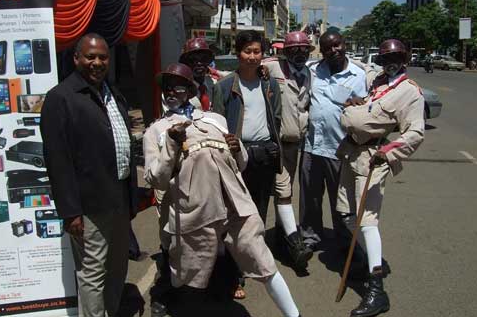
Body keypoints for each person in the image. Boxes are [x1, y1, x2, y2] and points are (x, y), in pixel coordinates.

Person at [143, 63, 302, 317]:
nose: (172, 92)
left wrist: (238, 147)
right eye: (167, 87)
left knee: (263, 261)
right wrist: (172, 144)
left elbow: (241, 163)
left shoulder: (215, 119)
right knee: (192, 277)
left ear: (191, 91)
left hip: (235, 203)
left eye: (179, 87)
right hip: (193, 210)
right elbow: (156, 179)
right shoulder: (156, 131)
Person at [41, 33, 136, 317]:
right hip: (89, 207)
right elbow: (57, 161)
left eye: (102, 57)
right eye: (90, 56)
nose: (97, 62)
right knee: (93, 274)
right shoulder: (61, 98)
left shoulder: (111, 92)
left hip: (118, 198)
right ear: (76, 59)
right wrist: (70, 212)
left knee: (118, 266)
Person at [337, 39, 425, 316]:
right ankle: (370, 259)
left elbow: (414, 133)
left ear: (406, 58)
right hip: (351, 152)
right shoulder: (378, 82)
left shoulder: (410, 93)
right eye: (386, 57)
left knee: (367, 222)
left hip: (373, 158)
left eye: (397, 56)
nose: (391, 62)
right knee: (345, 215)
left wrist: (387, 153)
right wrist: (357, 103)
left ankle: (377, 290)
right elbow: (371, 108)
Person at [300, 31, 367, 251]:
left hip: (340, 149)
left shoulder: (358, 75)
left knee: (342, 202)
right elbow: (286, 64)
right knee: (310, 199)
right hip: (312, 147)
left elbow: (367, 109)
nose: (333, 50)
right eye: (327, 48)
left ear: (344, 44)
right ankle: (310, 238)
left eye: (336, 45)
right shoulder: (313, 70)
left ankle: (346, 243)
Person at [212, 30, 282, 225]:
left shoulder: (270, 84)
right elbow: (217, 124)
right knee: (236, 209)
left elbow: (276, 117)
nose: (252, 57)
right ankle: (235, 252)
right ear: (238, 54)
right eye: (247, 51)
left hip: (265, 154)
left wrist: (274, 147)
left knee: (260, 208)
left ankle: (257, 249)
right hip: (237, 156)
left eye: (257, 52)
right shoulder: (224, 86)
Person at [263, 31, 314, 269]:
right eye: (294, 50)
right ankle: (293, 244)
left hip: (295, 146)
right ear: (285, 51)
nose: (299, 54)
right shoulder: (272, 68)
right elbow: (243, 72)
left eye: (304, 50)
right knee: (280, 191)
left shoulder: (309, 74)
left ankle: (282, 238)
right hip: (274, 143)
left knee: (285, 192)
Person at [179, 37, 216, 110]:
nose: (199, 63)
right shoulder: (178, 91)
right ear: (185, 63)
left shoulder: (215, 85)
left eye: (204, 59)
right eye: (193, 60)